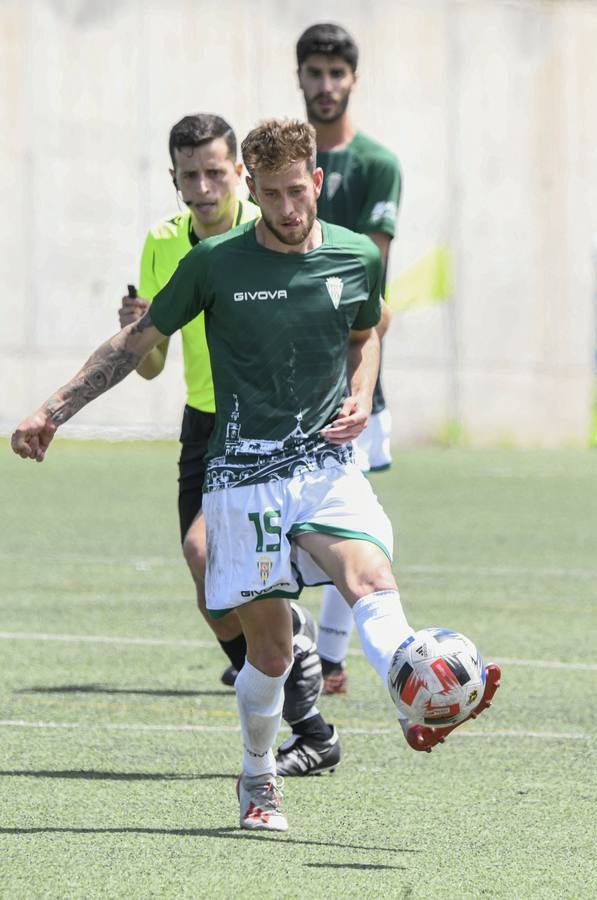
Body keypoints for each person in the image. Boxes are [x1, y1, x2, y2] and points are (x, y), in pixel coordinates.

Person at [12, 119, 492, 833]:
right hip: (243, 476)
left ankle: (416, 690)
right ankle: (259, 775)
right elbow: (137, 342)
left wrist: (362, 390)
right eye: (271, 196)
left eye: (297, 192)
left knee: (372, 582)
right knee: (267, 652)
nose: (288, 210)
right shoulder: (217, 263)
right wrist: (54, 409)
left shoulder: (357, 256)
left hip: (326, 463)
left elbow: (367, 333)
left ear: (317, 183)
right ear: (252, 188)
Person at [118, 112, 340, 777]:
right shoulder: (164, 244)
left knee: (207, 553)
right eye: (191, 175)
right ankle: (308, 718)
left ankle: (294, 712)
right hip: (205, 426)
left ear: (240, 173)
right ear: (175, 179)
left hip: (270, 426)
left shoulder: (268, 232)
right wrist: (136, 333)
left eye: (216, 172)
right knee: (210, 590)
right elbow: (152, 363)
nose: (204, 187)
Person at [296, 22, 402, 695]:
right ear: (300, 77)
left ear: (353, 79)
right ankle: (294, 644)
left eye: (337, 73)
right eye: (315, 72)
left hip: (352, 369)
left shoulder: (376, 164)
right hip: (284, 380)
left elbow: (364, 275)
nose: (326, 85)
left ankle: (331, 655)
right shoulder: (280, 158)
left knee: (351, 510)